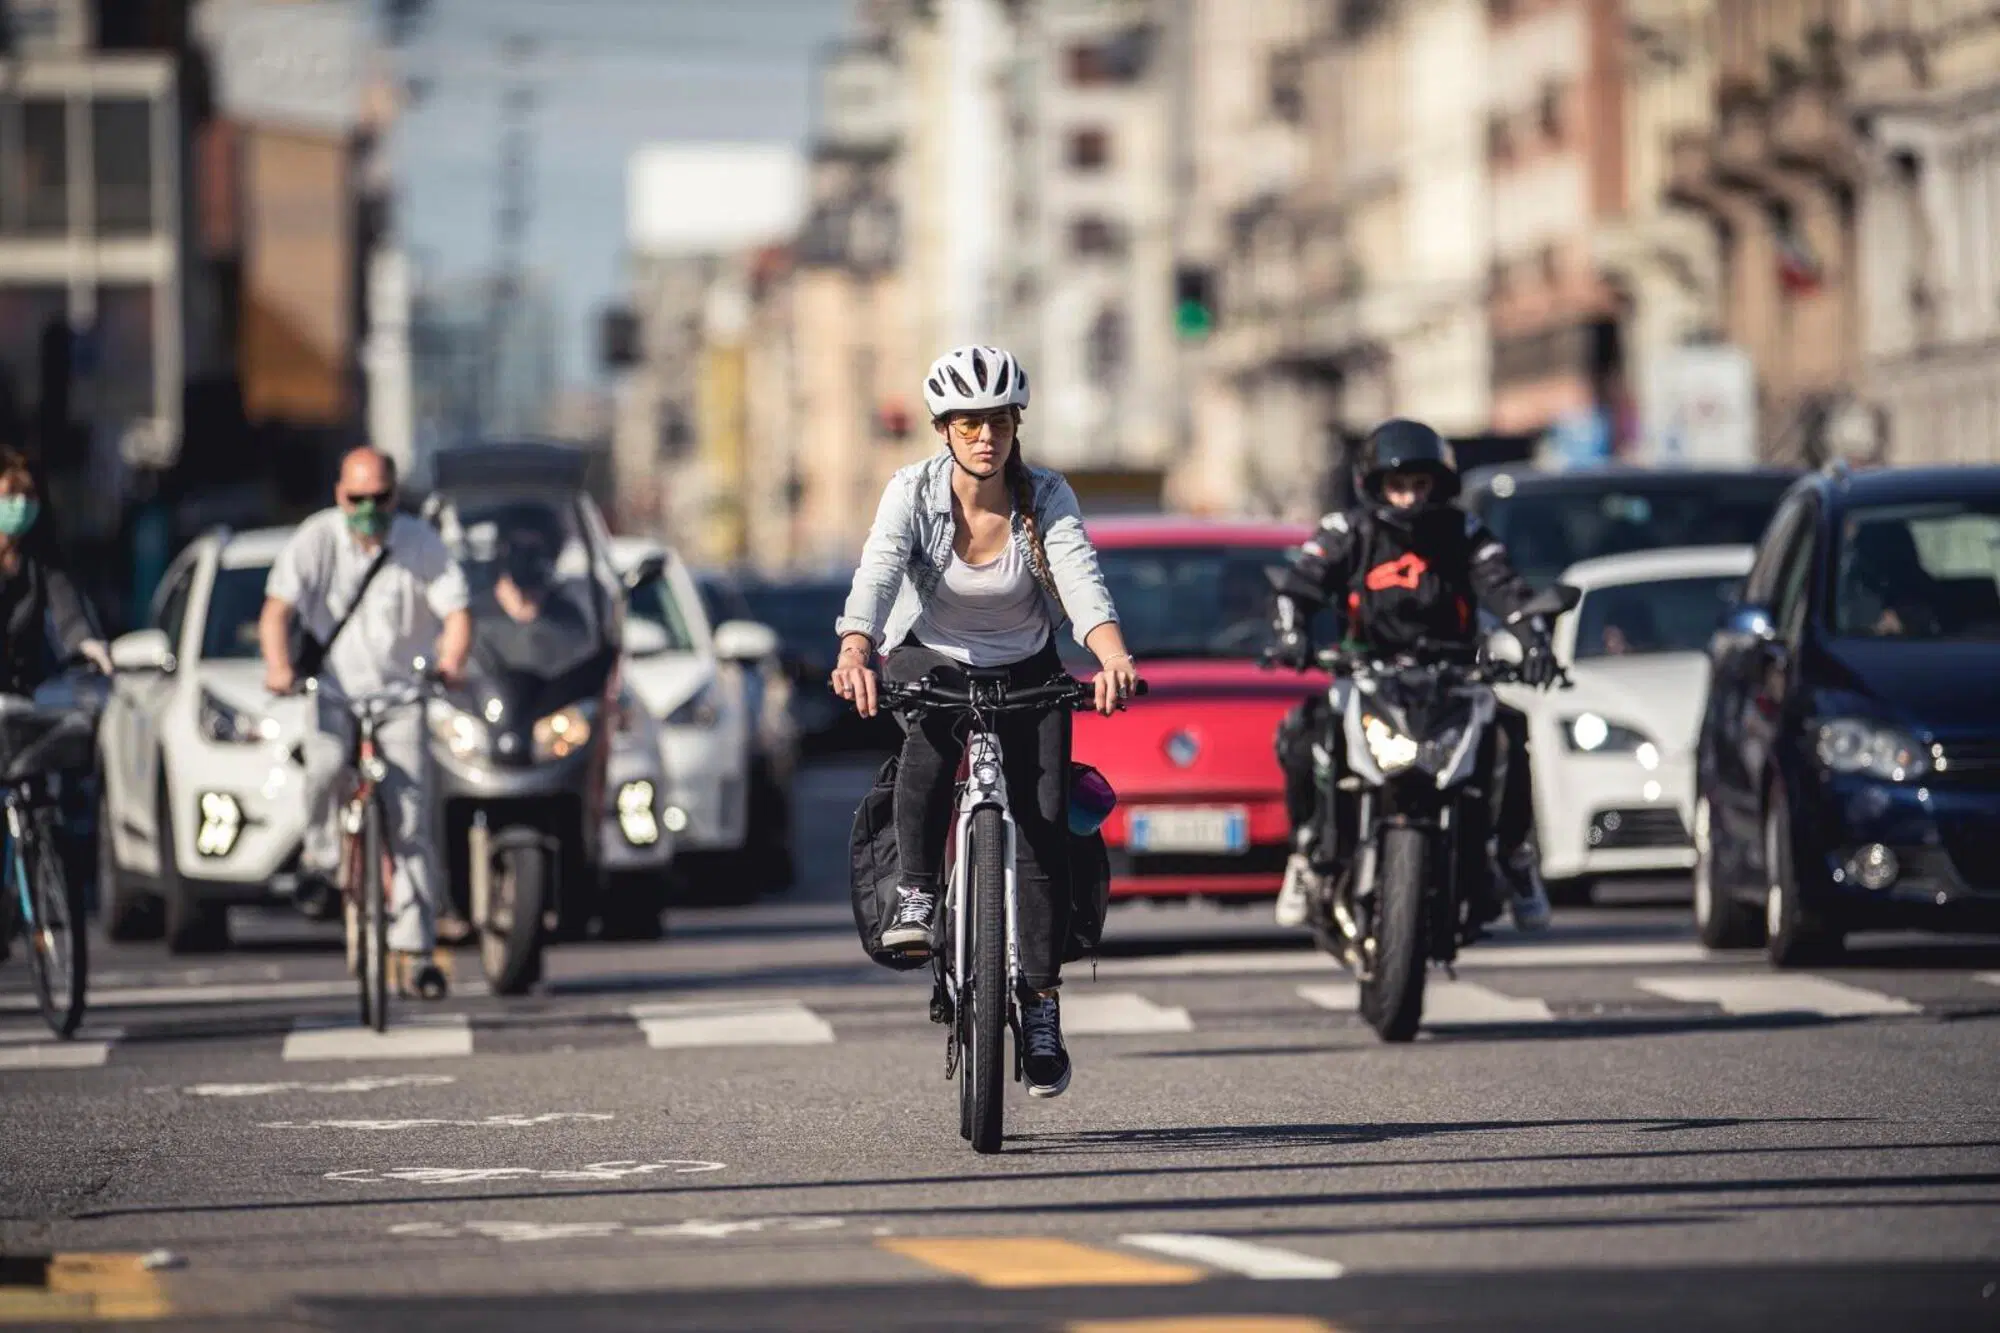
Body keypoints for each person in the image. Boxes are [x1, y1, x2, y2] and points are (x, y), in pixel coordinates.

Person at [831, 345, 1138, 1100]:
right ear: (943, 429)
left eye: (997, 421)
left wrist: (1112, 656)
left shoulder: (1047, 495)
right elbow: (878, 571)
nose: (984, 437)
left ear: (1015, 426)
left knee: (1042, 824)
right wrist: (856, 647)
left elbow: (1079, 577)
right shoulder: (911, 492)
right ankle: (917, 892)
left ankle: (1041, 1004)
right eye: (967, 423)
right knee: (930, 743)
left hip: (1028, 664)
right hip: (932, 655)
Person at [1268, 418, 1557, 933]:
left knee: (1510, 731)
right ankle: (1307, 856)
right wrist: (1293, 635)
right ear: (1374, 486)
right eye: (1396, 485)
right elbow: (1299, 585)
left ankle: (1514, 857)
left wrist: (1535, 643)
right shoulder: (1346, 531)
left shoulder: (1464, 532)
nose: (1408, 497)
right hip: (1367, 675)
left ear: (1439, 485)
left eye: (1419, 485)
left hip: (1453, 679)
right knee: (1304, 731)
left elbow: (1507, 590)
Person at [259, 446, 472, 997]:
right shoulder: (316, 539)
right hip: (334, 693)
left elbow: (456, 612)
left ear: (395, 496)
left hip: (400, 698)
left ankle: (416, 948)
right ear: (339, 495)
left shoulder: (420, 544)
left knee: (409, 820)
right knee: (325, 766)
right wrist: (279, 667)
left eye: (380, 498)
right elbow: (277, 612)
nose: (368, 510)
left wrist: (450, 662)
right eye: (357, 499)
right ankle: (322, 857)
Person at [0, 446, 111, 964]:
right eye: (9, 497)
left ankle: (39, 857)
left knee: (38, 778)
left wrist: (87, 644)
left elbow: (66, 606)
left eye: (27, 498)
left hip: (17, 693)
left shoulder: (39, 559)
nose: (19, 509)